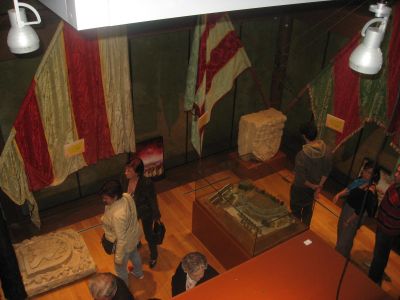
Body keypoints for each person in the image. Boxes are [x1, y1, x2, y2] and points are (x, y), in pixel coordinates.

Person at [100, 180, 144, 284]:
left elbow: (121, 239)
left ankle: (124, 286)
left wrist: (118, 258)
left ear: (115, 197)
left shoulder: (117, 216)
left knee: (120, 270)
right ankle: (139, 273)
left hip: (124, 245)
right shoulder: (126, 196)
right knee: (134, 254)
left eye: (106, 198)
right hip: (133, 236)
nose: (104, 200)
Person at [333, 162, 380, 258]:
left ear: (374, 175)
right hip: (348, 208)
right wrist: (339, 195)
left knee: (343, 241)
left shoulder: (370, 190)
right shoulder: (360, 180)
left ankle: (337, 259)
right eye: (365, 170)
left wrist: (348, 221)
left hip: (354, 215)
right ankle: (344, 257)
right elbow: (349, 189)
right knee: (342, 234)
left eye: (369, 172)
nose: (365, 173)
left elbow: (360, 210)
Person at [290, 122, 332, 226]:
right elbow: (326, 172)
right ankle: (304, 232)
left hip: (301, 189)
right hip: (314, 189)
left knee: (296, 212)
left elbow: (300, 179)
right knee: (307, 212)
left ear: (304, 136)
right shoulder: (327, 151)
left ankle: (296, 231)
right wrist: (318, 188)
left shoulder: (302, 155)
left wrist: (314, 187)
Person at [124, 157, 161, 269]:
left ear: (137, 173)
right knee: (132, 230)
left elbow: (152, 200)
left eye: (129, 171)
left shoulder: (146, 183)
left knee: (149, 234)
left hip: (145, 212)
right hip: (131, 212)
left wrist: (156, 216)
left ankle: (154, 256)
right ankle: (137, 242)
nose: (125, 172)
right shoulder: (124, 178)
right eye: (126, 169)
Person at [368, 164, 400, 285]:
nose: (396, 174)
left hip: (387, 230)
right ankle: (377, 273)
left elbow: (393, 200)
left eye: (399, 173)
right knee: (381, 254)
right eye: (397, 171)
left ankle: (372, 281)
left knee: (380, 256)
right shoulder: (395, 186)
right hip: (384, 227)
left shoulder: (397, 190)